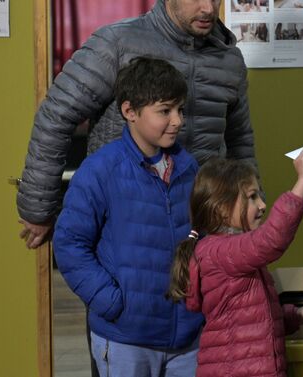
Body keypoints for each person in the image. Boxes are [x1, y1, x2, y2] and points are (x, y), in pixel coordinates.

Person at [18, 0, 257, 249]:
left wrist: (252, 203)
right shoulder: (116, 43)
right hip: (123, 223)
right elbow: (56, 115)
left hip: (200, 226)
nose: (208, 8)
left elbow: (240, 141)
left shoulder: (230, 60)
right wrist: (38, 207)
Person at [53, 57, 203, 377]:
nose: (177, 121)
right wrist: (113, 304)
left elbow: (204, 240)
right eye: (165, 111)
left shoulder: (191, 169)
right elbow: (69, 244)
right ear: (129, 111)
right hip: (125, 339)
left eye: (180, 110)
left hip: (188, 337)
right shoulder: (99, 171)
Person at [167, 149, 303, 377]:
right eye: (252, 197)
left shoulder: (237, 253)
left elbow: (252, 318)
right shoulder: (220, 252)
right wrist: (302, 180)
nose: (262, 204)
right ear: (221, 208)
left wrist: (294, 315)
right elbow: (271, 239)